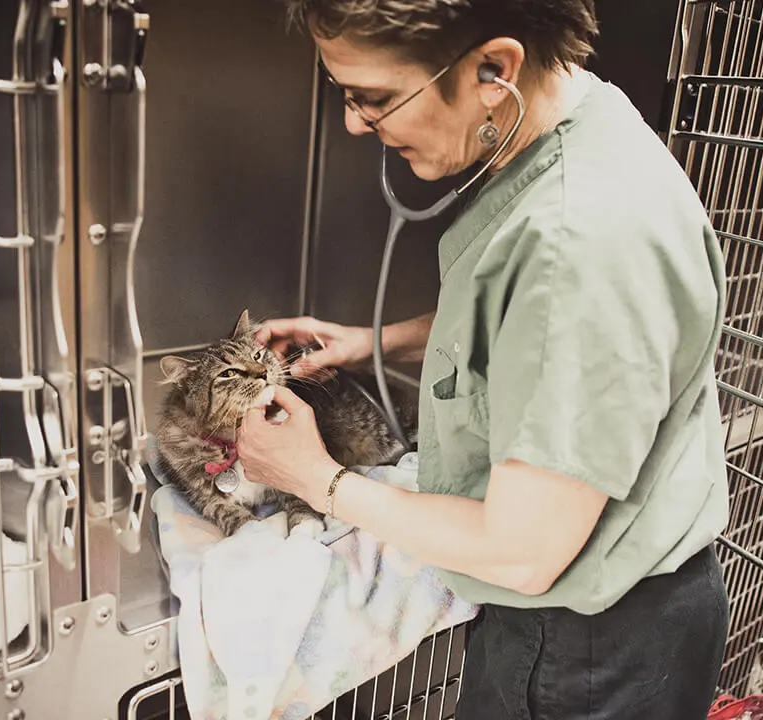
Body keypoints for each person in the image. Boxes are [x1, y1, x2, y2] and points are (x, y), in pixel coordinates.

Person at [236, 2, 731, 718]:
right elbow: (530, 321)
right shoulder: (582, 117)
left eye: (371, 98)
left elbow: (521, 552)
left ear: (494, 70)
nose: (353, 123)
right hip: (618, 611)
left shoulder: (582, 239)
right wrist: (373, 341)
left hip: (588, 646)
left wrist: (316, 478)